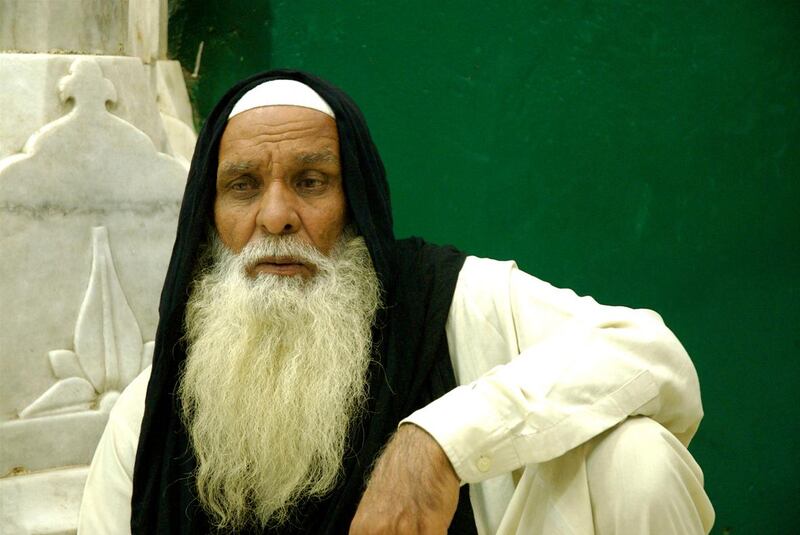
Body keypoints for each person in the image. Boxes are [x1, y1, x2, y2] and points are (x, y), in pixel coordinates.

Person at [78, 70, 714, 534]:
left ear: (357, 203)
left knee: (639, 462)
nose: (275, 217)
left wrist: (438, 445)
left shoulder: (455, 305)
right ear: (208, 220)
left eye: (310, 182)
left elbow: (651, 357)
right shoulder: (147, 417)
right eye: (242, 186)